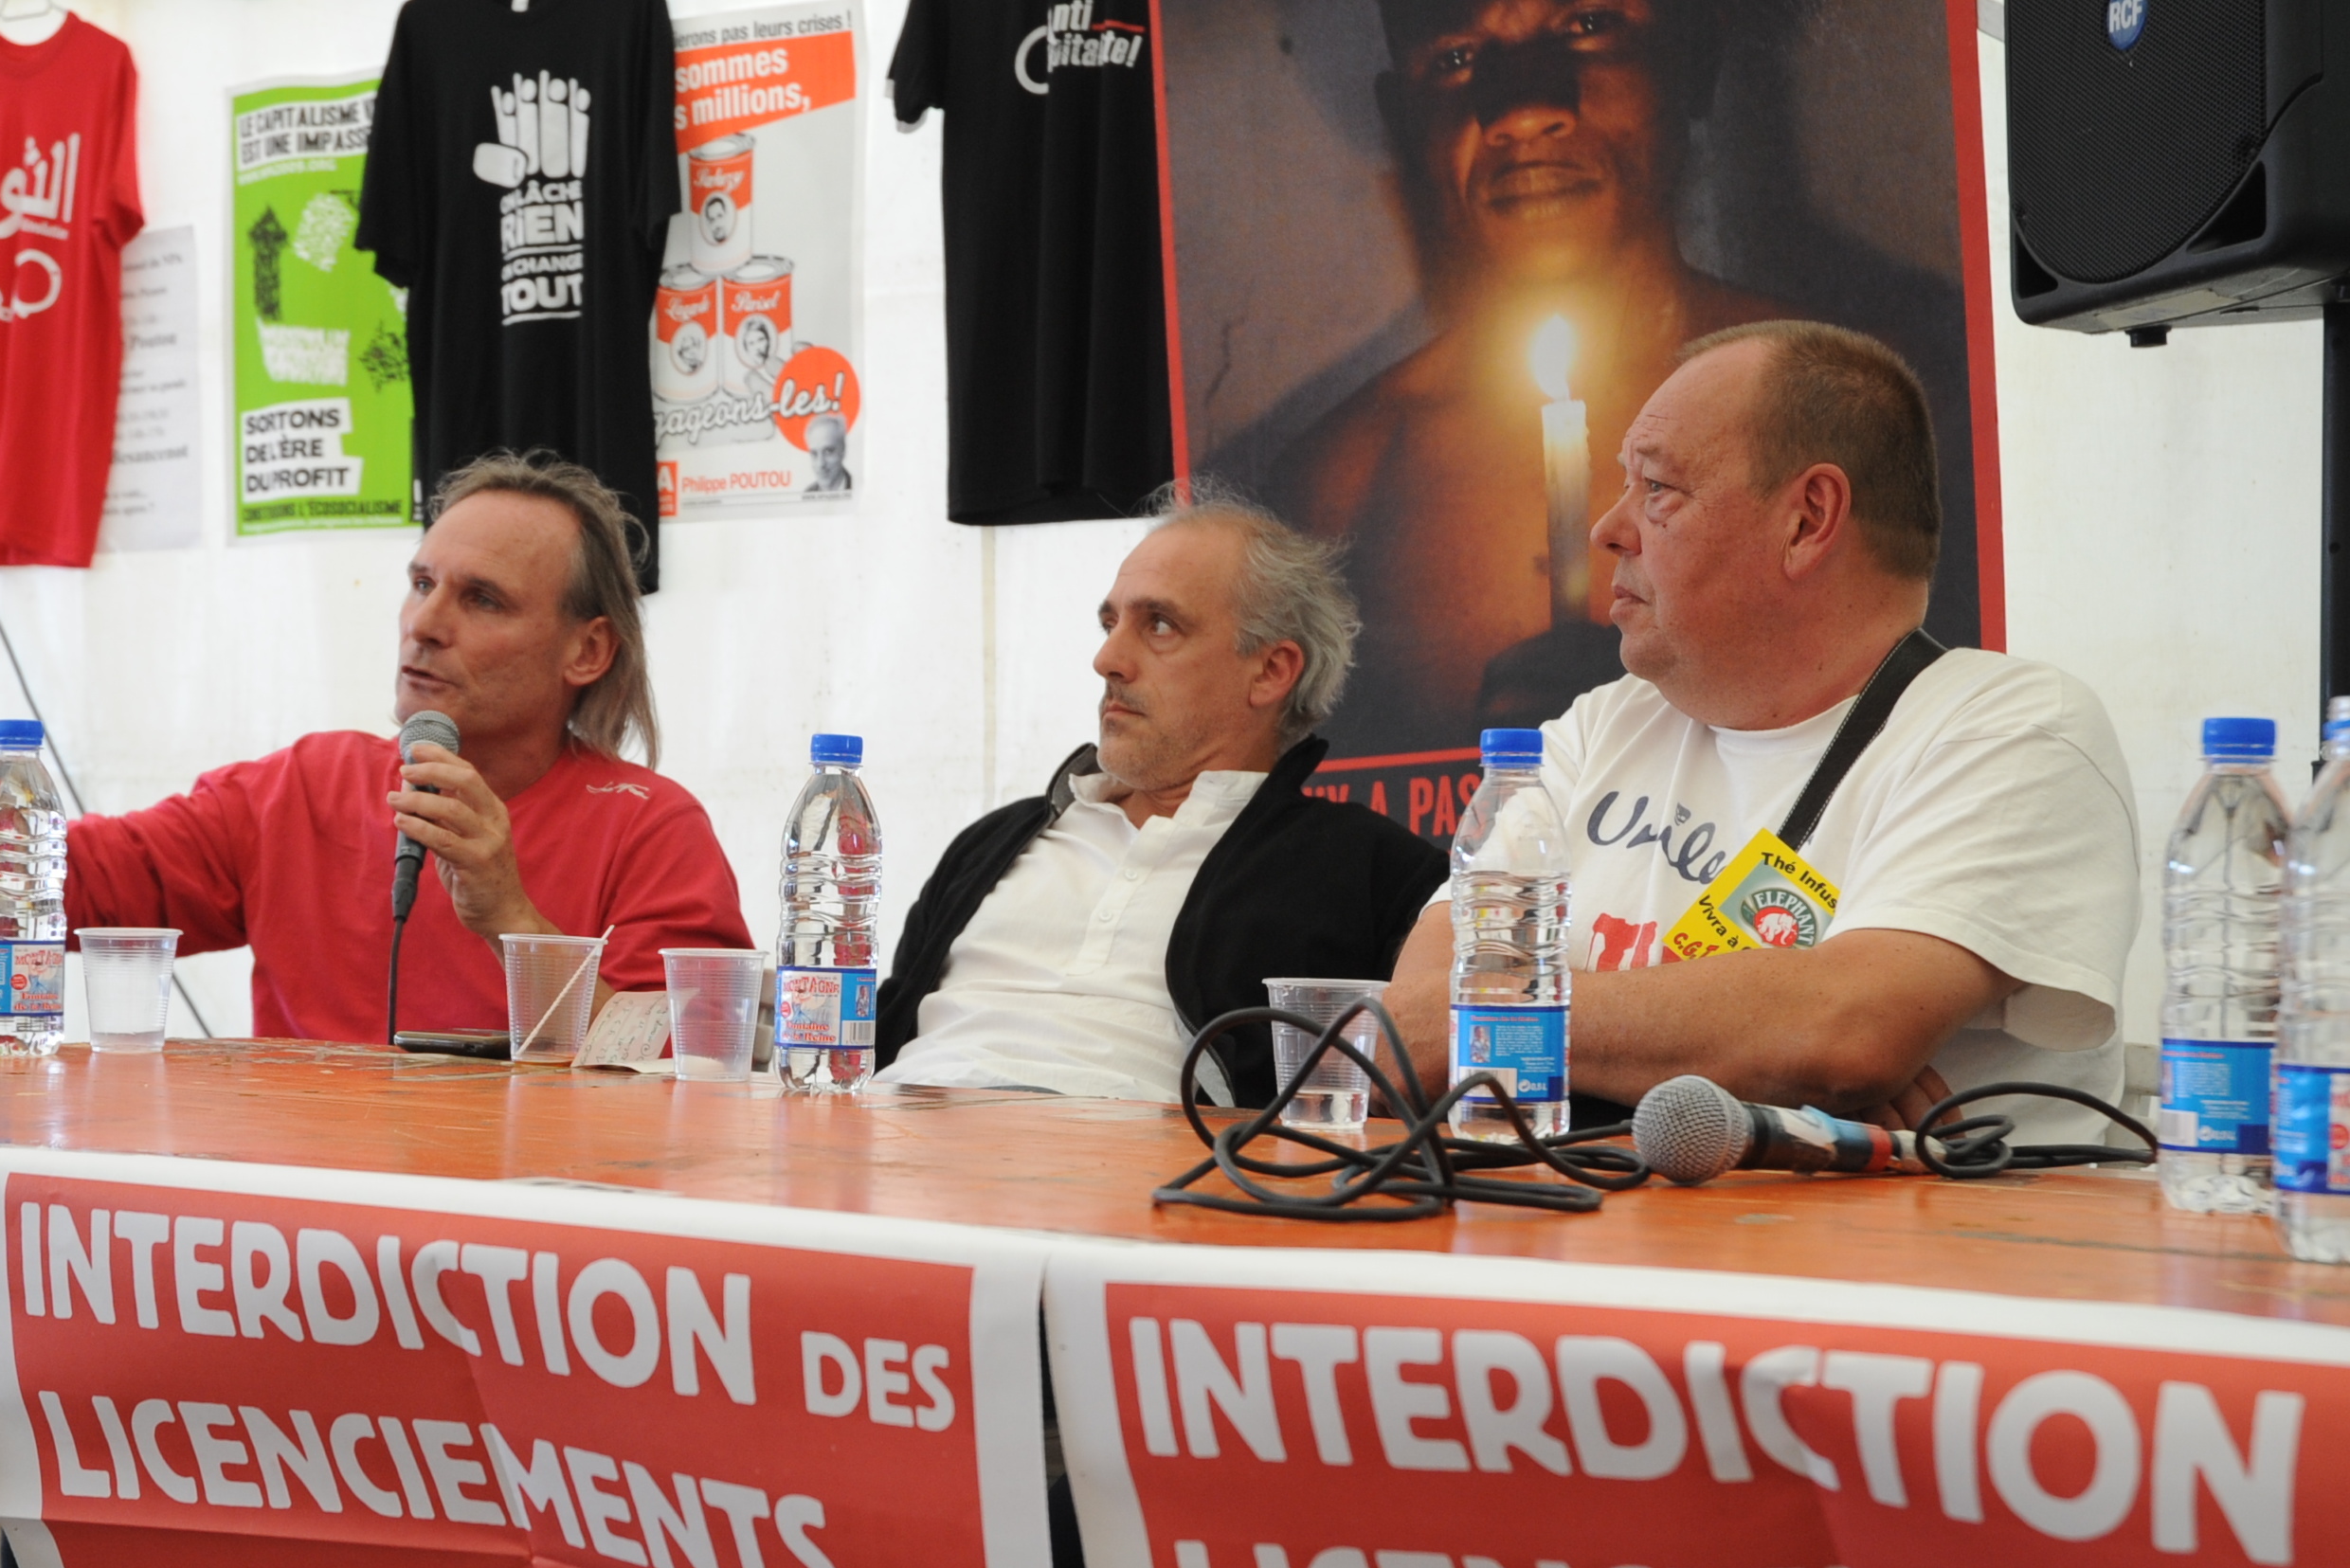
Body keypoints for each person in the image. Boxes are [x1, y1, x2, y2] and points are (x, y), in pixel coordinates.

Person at [1381, 322, 2140, 1141]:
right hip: (1586, 1216)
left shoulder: (2011, 728)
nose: (1608, 528)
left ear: (1808, 520)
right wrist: (1756, 1052)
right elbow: (1416, 1021)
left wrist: (1800, 1041)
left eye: (1657, 488)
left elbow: (1845, 1033)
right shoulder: (1603, 725)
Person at [0, 450, 751, 1043]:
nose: (425, 624)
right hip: (294, 1247)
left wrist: (509, 918)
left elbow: (684, 1066)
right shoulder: (306, 787)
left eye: (482, 599)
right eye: (420, 582)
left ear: (586, 650)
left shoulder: (652, 829)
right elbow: (44, 889)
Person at [1268, 0, 1800, 749]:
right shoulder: (1337, 491)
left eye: (1587, 26)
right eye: (1456, 57)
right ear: (1405, 120)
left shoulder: (1845, 409)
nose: (1522, 109)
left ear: (1693, 60)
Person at [877, 483, 1447, 1108]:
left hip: (1148, 1155)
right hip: (897, 1131)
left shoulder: (1368, 870)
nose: (1107, 658)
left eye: (1160, 626)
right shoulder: (992, 842)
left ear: (1270, 671)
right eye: (1109, 623)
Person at [804, 414, 853, 497]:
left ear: (843, 451)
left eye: (828, 452)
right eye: (814, 454)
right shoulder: (807, 493)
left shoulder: (857, 487)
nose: (820, 464)